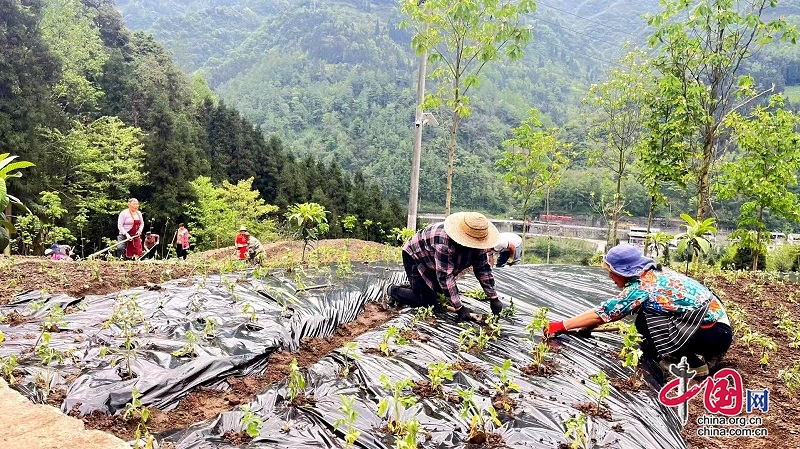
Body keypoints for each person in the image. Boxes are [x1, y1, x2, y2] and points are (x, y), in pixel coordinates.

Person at [544, 244, 731, 378]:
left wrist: (561, 325)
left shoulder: (642, 288)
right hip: (720, 329)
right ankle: (708, 354)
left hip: (711, 334)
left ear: (624, 271)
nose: (610, 277)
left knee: (644, 322)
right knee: (650, 316)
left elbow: (606, 313)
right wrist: (586, 327)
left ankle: (692, 365)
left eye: (611, 271)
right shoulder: (656, 274)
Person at [386, 211, 504, 321]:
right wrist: (459, 308)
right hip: (416, 256)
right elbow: (445, 276)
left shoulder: (478, 245)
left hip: (433, 260)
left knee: (439, 292)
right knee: (428, 302)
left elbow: (483, 269)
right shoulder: (444, 244)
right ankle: (392, 290)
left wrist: (494, 298)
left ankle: (417, 286)